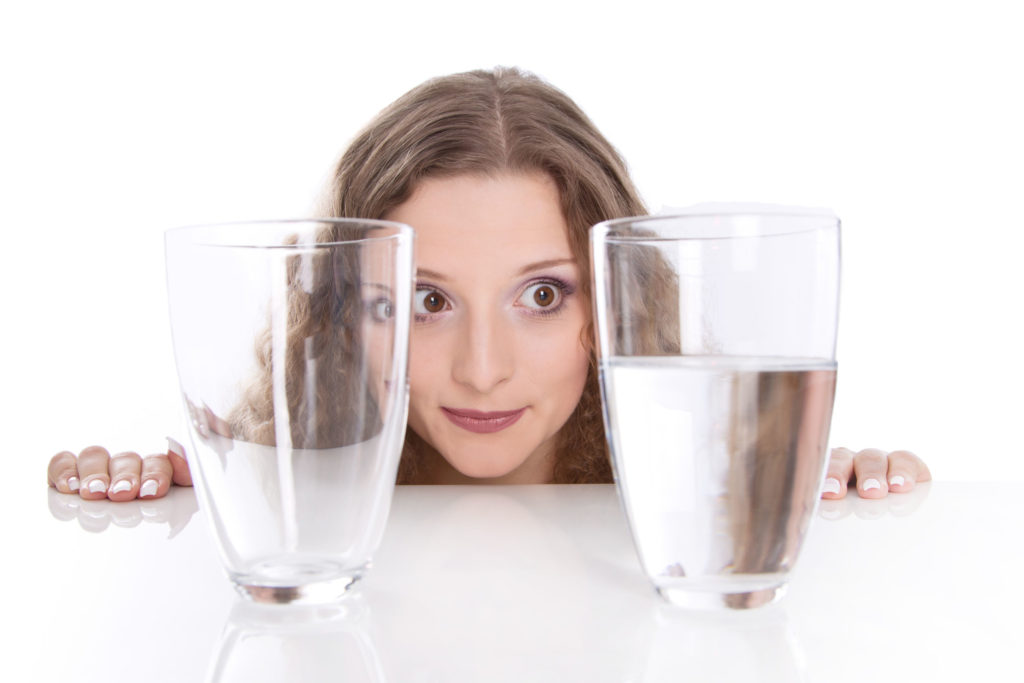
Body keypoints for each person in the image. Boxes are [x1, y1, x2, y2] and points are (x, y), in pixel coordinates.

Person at [46, 67, 931, 501]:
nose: (481, 370)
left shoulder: (705, 502)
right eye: (426, 300)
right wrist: (164, 517)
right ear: (347, 314)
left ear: (618, 303)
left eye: (542, 295)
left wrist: (853, 500)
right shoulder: (285, 509)